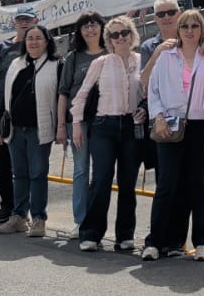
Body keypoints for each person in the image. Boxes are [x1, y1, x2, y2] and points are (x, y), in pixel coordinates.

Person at [141, 8, 204, 261]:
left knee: (198, 184)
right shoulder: (167, 56)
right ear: (178, 30)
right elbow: (153, 89)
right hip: (171, 123)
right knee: (166, 184)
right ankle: (154, 242)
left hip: (201, 124)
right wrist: (158, 117)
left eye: (194, 26)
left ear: (202, 29)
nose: (189, 31)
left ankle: (201, 242)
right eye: (185, 26)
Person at [70, 13, 144, 252]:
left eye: (124, 33)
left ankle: (125, 235)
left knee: (127, 182)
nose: (120, 38)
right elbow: (81, 95)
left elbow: (148, 93)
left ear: (132, 35)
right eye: (115, 34)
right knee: (101, 179)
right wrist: (77, 124)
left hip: (131, 125)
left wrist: (143, 110)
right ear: (109, 39)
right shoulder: (100, 62)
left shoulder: (141, 60)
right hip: (104, 125)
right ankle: (91, 233)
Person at [0, 23, 60, 237]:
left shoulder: (56, 65)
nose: (33, 42)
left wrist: (61, 127)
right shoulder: (16, 63)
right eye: (30, 38)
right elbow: (6, 96)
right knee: (19, 174)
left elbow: (61, 97)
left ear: (47, 41)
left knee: (38, 174)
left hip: (39, 129)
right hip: (15, 129)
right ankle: (19, 217)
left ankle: (39, 218)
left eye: (38, 38)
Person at [0, 6, 38, 223]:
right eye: (20, 19)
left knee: (26, 165)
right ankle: (7, 206)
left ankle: (25, 208)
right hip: (1, 112)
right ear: (14, 23)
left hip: (28, 113)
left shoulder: (40, 46)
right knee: (3, 164)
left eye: (28, 19)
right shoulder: (2, 48)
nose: (24, 23)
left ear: (36, 21)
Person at [57, 11, 105, 234]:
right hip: (77, 121)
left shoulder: (111, 52)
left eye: (94, 25)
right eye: (85, 26)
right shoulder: (73, 58)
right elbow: (63, 92)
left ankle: (97, 220)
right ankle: (81, 219)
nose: (90, 30)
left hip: (104, 118)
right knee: (81, 169)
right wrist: (61, 126)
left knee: (102, 172)